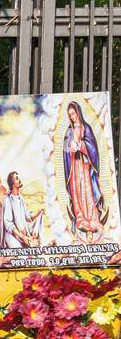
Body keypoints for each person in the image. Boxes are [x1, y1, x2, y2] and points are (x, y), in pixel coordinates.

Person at [62, 100, 106, 241]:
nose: (73, 117)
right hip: (74, 168)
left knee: (87, 193)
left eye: (74, 114)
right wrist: (70, 148)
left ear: (78, 112)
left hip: (85, 167)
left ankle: (93, 220)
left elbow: (93, 148)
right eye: (70, 115)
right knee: (77, 194)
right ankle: (80, 219)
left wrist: (81, 145)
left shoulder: (86, 128)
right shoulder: (69, 131)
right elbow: (65, 150)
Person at [1, 171, 43, 249]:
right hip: (13, 237)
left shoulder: (21, 198)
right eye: (16, 178)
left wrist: (39, 211)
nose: (19, 180)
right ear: (12, 184)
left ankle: (32, 240)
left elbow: (28, 216)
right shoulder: (8, 199)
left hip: (24, 236)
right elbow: (8, 223)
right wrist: (22, 237)